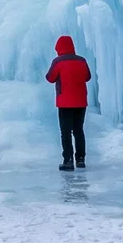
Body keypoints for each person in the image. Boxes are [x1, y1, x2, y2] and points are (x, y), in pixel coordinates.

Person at [46, 35, 92, 171]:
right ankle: (81, 159)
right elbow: (87, 77)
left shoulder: (58, 61)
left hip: (64, 102)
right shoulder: (82, 60)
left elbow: (50, 77)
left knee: (65, 132)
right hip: (81, 101)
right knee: (78, 130)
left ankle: (68, 160)